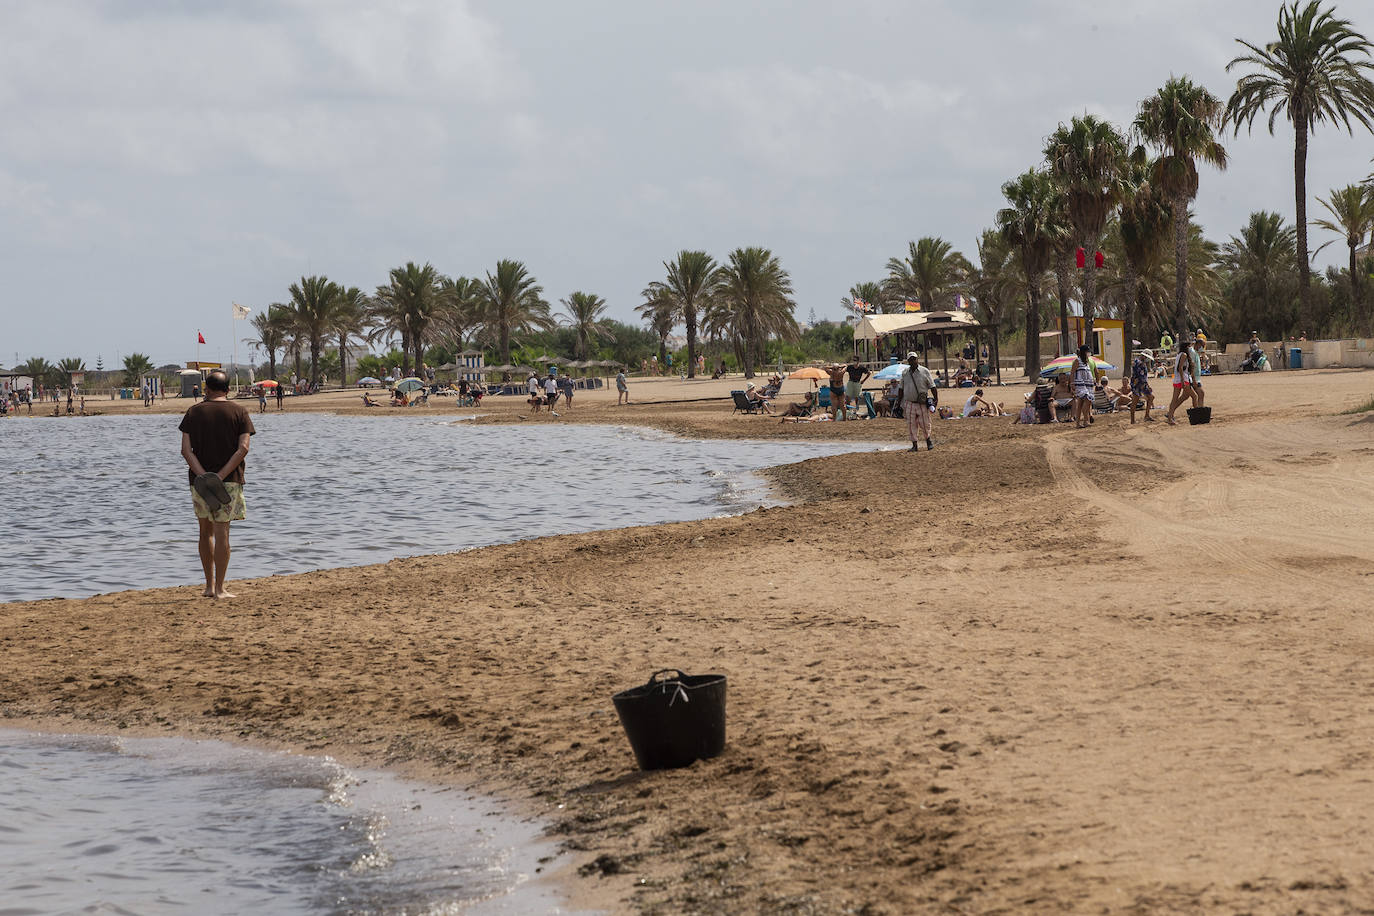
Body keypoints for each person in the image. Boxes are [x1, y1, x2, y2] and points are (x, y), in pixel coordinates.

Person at [178, 370, 254, 599]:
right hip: (229, 481)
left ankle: (209, 587)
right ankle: (220, 588)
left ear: (206, 389)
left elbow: (186, 451)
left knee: (204, 532)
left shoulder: (193, 412)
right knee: (222, 532)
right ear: (228, 389)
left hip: (199, 483)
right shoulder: (239, 411)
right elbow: (243, 448)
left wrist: (203, 476)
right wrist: (219, 476)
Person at [899, 351, 937, 451]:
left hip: (922, 402)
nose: (913, 361)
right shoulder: (905, 373)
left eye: (914, 359)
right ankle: (914, 445)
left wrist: (936, 399)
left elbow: (932, 386)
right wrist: (898, 403)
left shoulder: (924, 371)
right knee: (911, 424)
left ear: (917, 359)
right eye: (910, 360)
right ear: (908, 361)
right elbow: (901, 388)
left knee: (925, 423)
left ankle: (928, 441)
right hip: (909, 402)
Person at [1164, 339, 1193, 426]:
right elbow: (1180, 367)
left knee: (1181, 397)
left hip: (1178, 379)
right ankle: (1170, 417)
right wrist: (1182, 380)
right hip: (1182, 379)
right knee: (1192, 396)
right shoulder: (1184, 355)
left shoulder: (1179, 354)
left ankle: (1170, 415)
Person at [1070, 344, 1095, 428]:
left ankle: (1078, 423)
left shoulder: (1086, 361)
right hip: (1080, 385)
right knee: (1087, 400)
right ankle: (1085, 420)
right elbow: (1072, 372)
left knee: (1080, 403)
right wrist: (1072, 383)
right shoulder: (1077, 361)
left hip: (1088, 384)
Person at [1128, 353, 1155, 423]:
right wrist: (1146, 385)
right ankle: (1135, 419)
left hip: (1137, 383)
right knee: (1136, 401)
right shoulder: (1141, 364)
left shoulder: (1136, 361)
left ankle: (1145, 416)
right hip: (1140, 384)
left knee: (1150, 397)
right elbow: (1141, 376)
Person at [1188, 337, 1206, 409]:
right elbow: (1191, 366)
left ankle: (1198, 410)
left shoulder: (1195, 352)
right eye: (1202, 346)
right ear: (1198, 344)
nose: (1202, 348)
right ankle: (1200, 411)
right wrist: (1194, 379)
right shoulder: (1192, 352)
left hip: (1196, 378)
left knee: (1187, 396)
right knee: (1201, 394)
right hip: (1194, 378)